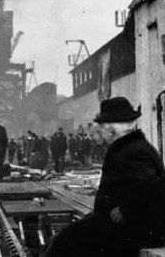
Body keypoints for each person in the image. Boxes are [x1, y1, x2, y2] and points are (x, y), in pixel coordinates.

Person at [41, 97, 165, 257]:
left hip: (134, 228)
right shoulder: (129, 147)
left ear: (111, 130)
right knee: (65, 238)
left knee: (62, 243)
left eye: (102, 129)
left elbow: (152, 184)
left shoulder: (135, 150)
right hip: (122, 224)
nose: (100, 133)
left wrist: (124, 209)